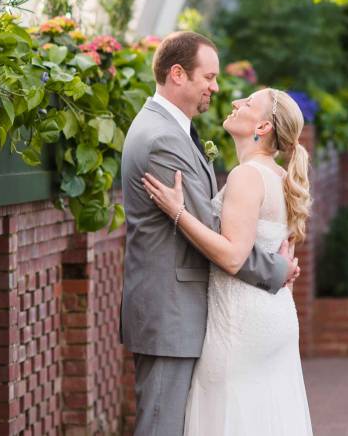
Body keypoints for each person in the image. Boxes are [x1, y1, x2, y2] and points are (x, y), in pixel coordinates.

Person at [120, 31, 300, 436]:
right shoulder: (162, 138)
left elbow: (217, 231)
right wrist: (275, 269)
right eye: (209, 77)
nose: (217, 88)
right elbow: (215, 232)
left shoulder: (175, 130)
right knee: (161, 427)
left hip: (192, 313)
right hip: (171, 313)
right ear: (178, 74)